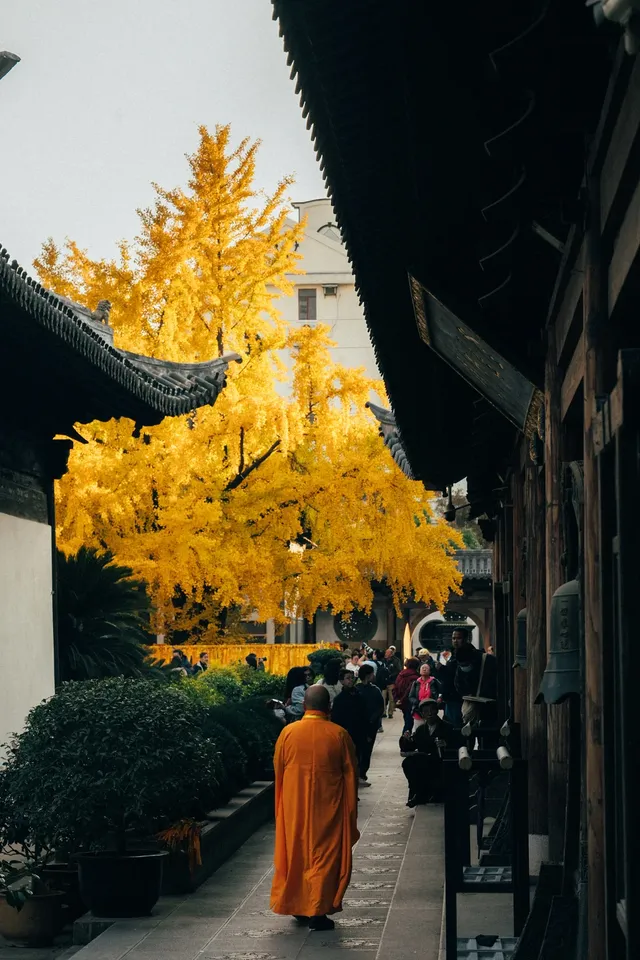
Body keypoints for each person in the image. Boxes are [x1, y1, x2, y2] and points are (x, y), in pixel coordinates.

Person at [270, 685, 360, 931]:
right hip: (327, 808)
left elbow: (278, 770)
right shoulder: (339, 734)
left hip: (294, 807)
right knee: (323, 856)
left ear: (303, 706)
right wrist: (350, 811)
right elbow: (352, 775)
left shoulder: (288, 733)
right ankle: (317, 911)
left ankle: (299, 905)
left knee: (297, 853)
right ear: (328, 707)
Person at [400, 699, 463, 806]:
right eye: (425, 711)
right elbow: (409, 748)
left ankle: (421, 795)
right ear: (422, 714)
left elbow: (459, 746)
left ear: (436, 711)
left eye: (432, 710)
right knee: (408, 763)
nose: (429, 714)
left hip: (440, 763)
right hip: (424, 762)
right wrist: (405, 740)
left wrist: (446, 744)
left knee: (420, 761)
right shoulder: (421, 730)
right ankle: (419, 793)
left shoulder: (447, 727)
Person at [332, 669, 368, 765]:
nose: (351, 680)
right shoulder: (339, 699)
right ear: (341, 681)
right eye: (347, 678)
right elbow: (336, 718)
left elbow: (365, 714)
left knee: (359, 755)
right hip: (346, 732)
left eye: (352, 678)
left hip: (359, 731)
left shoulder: (359, 696)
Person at [356, 664, 384, 785]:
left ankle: (359, 774)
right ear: (369, 675)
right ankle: (361, 774)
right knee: (366, 751)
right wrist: (373, 721)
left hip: (359, 725)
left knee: (359, 751)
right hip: (368, 726)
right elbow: (379, 708)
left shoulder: (356, 689)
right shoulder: (375, 690)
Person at [408, 662, 442, 729]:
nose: (424, 669)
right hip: (418, 711)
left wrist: (439, 699)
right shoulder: (416, 683)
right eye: (422, 668)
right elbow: (411, 697)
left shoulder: (434, 681)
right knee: (418, 731)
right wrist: (417, 702)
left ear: (429, 671)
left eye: (426, 668)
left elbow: (442, 691)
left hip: (431, 710)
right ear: (419, 671)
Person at [392, 657, 421, 735]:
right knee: (409, 723)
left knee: (407, 720)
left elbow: (395, 687)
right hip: (409, 702)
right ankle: (405, 740)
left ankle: (405, 738)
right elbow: (409, 691)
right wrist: (402, 699)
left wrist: (397, 699)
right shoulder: (416, 677)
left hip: (402, 702)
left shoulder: (401, 674)